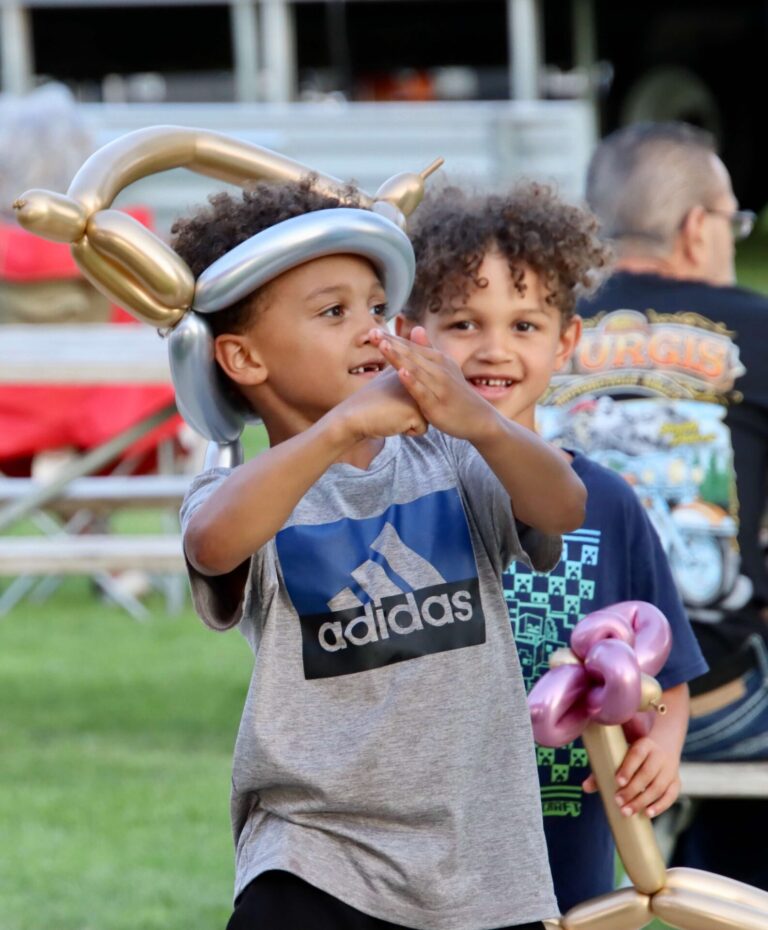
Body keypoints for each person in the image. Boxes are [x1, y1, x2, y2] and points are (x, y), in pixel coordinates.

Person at [174, 178, 587, 930]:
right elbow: (212, 541)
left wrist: (482, 423)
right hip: (312, 859)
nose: (370, 330)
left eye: (374, 307)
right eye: (334, 313)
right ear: (242, 358)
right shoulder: (237, 490)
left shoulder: (454, 459)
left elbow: (563, 503)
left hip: (482, 868)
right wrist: (334, 431)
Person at [396, 182, 708, 915]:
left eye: (525, 325)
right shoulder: (389, 493)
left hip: (561, 841)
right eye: (464, 323)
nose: (495, 349)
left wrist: (660, 747)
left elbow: (674, 675)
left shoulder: (606, 501)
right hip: (422, 843)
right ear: (416, 335)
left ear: (566, 341)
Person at [574, 121, 768, 890]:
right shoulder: (757, 327)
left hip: (551, 694)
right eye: (734, 221)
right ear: (697, 229)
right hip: (714, 697)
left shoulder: (523, 333)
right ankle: (727, 880)